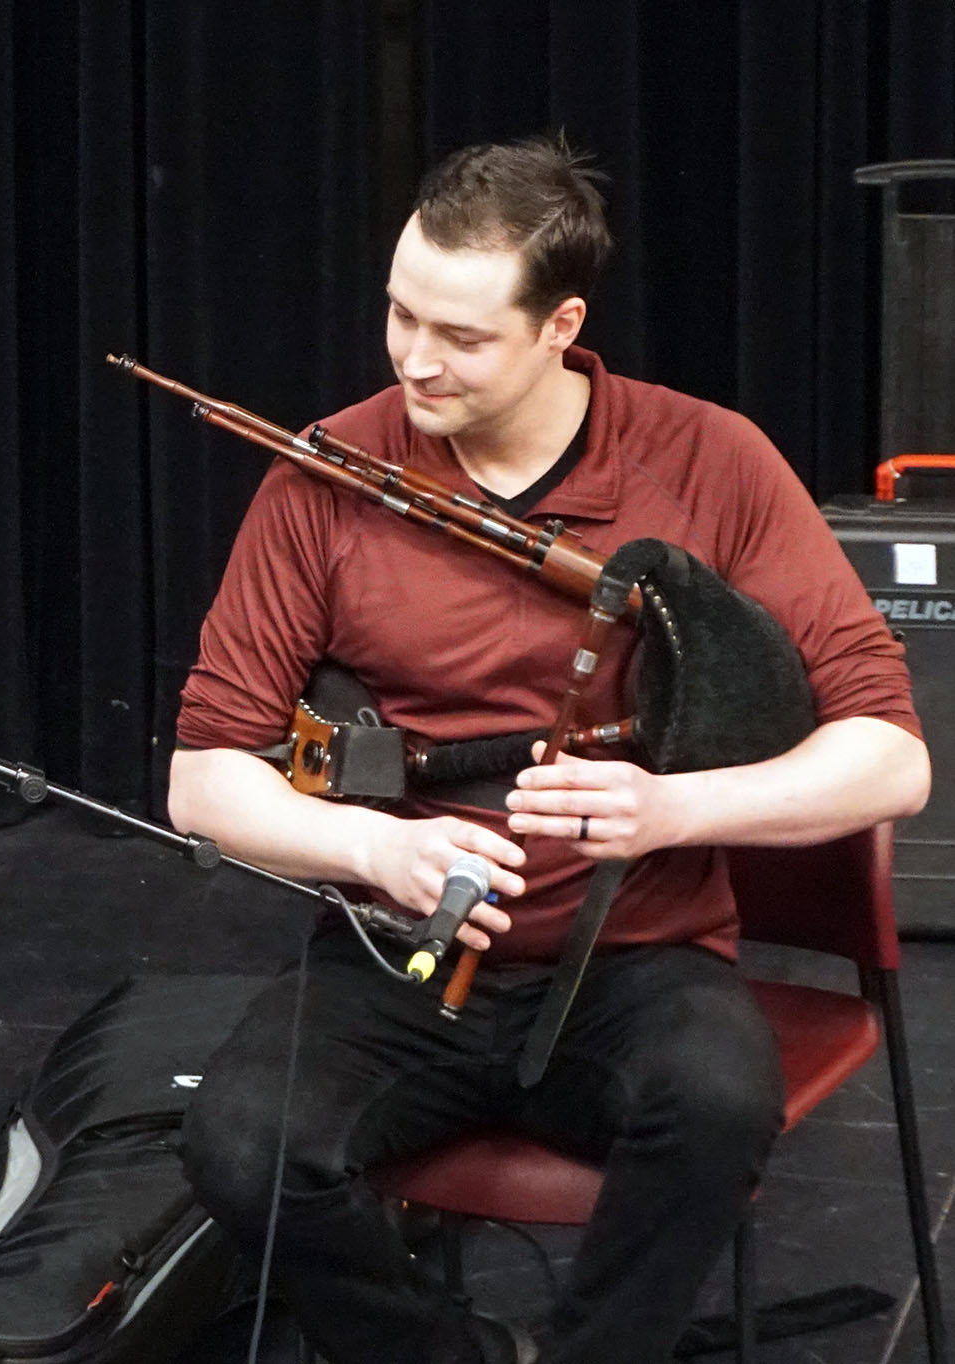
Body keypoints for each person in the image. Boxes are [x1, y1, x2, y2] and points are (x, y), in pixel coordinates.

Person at [168, 138, 928, 1364]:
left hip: (634, 956)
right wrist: (372, 846)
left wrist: (672, 811)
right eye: (399, 314)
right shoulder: (326, 473)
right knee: (242, 1149)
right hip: (397, 952)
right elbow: (202, 780)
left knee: (715, 1107)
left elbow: (892, 757)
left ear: (559, 324)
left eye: (460, 336)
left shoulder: (710, 460)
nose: (415, 358)